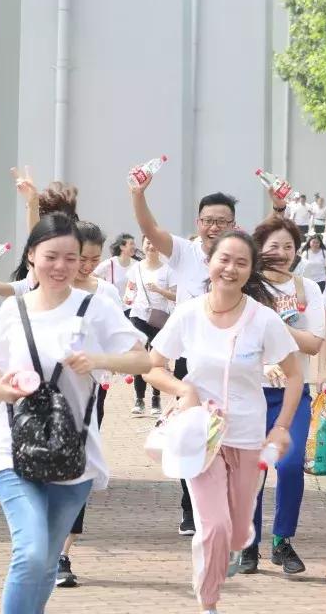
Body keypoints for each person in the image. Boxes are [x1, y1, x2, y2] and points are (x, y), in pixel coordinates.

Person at [0, 213, 150, 613]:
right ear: (31, 256)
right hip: (13, 444)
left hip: (75, 453)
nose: (61, 267)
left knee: (47, 558)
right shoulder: (13, 309)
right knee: (33, 551)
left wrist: (99, 359)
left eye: (71, 258)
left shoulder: (96, 307)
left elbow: (141, 360)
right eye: (51, 256)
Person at [145, 230, 302, 614]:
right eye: (224, 260)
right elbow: (154, 365)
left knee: (233, 527)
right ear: (209, 262)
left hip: (248, 437)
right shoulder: (188, 313)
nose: (230, 269)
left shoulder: (263, 320)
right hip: (201, 436)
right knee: (212, 526)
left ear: (250, 271)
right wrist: (185, 391)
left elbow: (295, 375)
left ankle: (225, 555)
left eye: (241, 263)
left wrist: (281, 425)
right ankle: (209, 603)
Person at [129, 168, 239, 536]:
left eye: (222, 221)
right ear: (199, 222)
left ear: (233, 224)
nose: (214, 227)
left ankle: (224, 506)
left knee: (228, 438)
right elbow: (150, 229)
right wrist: (138, 194)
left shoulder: (239, 258)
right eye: (208, 220)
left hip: (232, 360)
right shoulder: (185, 252)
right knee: (192, 432)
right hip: (191, 361)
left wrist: (279, 209)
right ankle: (190, 508)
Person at [234, 219, 324, 577]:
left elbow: (314, 343)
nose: (282, 254)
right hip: (251, 394)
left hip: (293, 393)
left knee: (287, 466)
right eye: (274, 246)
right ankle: (248, 545)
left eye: (289, 247)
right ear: (258, 248)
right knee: (252, 469)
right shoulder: (246, 286)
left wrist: (274, 325)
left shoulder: (308, 289)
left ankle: (282, 541)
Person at [54, 219, 124, 586]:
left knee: (78, 469)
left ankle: (62, 554)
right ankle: (42, 549)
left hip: (87, 395)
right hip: (44, 396)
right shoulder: (49, 288)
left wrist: (101, 363)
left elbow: (125, 349)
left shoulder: (107, 294)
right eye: (81, 257)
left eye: (94, 259)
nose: (86, 266)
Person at [124, 235, 176, 416]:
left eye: (154, 243)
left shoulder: (168, 270)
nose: (151, 246)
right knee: (139, 358)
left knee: (155, 360)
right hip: (138, 316)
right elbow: (130, 289)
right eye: (147, 242)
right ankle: (139, 399)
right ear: (143, 245)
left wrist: (160, 290)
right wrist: (128, 298)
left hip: (159, 319)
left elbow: (176, 296)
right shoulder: (135, 268)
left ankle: (156, 399)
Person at [94, 233, 138, 314]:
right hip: (111, 308)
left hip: (130, 309)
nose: (134, 247)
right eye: (131, 244)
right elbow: (92, 276)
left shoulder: (136, 265)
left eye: (134, 244)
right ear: (122, 247)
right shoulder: (110, 263)